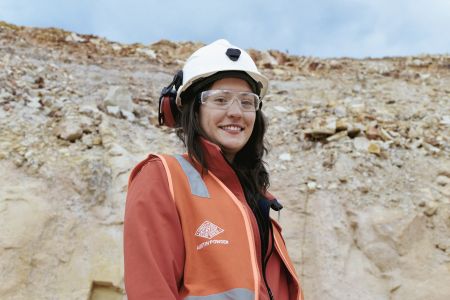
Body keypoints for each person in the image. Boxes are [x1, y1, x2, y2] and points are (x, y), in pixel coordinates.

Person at [124, 39, 303, 300]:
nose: (236, 112)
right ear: (193, 110)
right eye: (220, 99)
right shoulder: (163, 177)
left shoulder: (259, 201)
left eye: (246, 101)